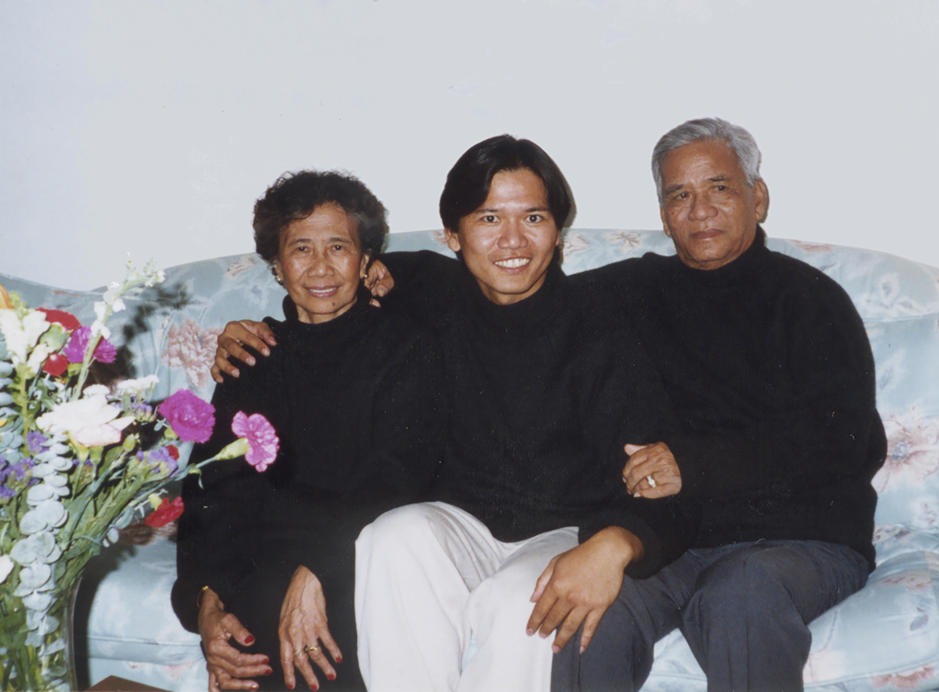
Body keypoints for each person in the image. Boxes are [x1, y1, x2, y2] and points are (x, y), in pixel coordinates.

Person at [212, 135, 695, 692]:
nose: (512, 240)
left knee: (522, 604)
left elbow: (663, 478)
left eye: (533, 217)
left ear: (558, 233)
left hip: (565, 530)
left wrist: (617, 544)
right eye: (489, 217)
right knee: (390, 537)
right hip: (460, 524)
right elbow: (331, 278)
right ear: (453, 236)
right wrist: (250, 332)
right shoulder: (432, 297)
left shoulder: (603, 328)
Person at [550, 118, 887, 692]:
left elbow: (850, 439)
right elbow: (519, 295)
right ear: (662, 214)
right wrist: (389, 275)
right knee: (592, 607)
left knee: (739, 591)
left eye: (719, 188)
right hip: (674, 543)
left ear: (758, 197)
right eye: (679, 194)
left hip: (802, 542)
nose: (698, 209)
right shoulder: (628, 293)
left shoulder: (808, 299)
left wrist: (696, 464)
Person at [172, 170, 443, 692]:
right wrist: (205, 599)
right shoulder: (253, 353)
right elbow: (212, 490)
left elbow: (397, 477)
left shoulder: (406, 347)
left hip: (362, 553)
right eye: (301, 249)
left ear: (365, 261)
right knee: (247, 635)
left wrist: (317, 569)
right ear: (276, 266)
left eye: (338, 247)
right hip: (266, 566)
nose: (320, 267)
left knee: (321, 636)